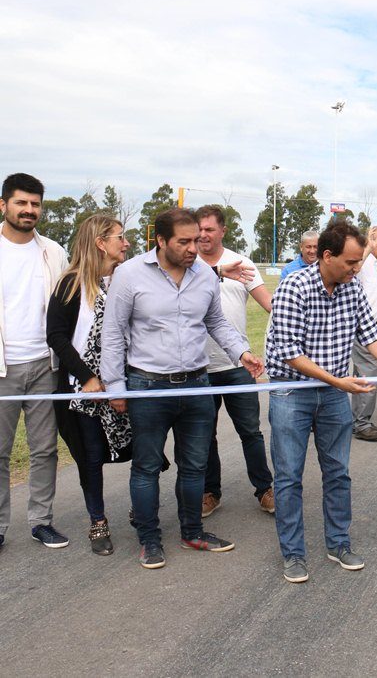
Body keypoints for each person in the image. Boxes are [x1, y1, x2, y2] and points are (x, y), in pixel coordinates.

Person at [101, 207, 263, 570]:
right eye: (184, 241)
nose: (194, 248)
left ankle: (192, 532)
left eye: (197, 240)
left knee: (194, 465)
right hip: (147, 387)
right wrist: (115, 386)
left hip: (196, 385)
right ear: (160, 240)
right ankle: (149, 540)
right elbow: (112, 333)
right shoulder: (129, 275)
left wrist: (242, 353)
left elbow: (216, 322)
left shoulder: (204, 275)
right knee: (146, 467)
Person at [266, 220, 377, 584]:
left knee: (338, 472)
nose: (356, 268)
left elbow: (372, 336)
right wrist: (337, 381)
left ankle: (338, 543)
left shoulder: (352, 288)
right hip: (292, 393)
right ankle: (293, 553)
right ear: (327, 256)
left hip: (335, 394)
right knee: (288, 477)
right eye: (351, 262)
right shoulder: (294, 286)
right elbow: (288, 351)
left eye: (358, 262)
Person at [46, 214, 131, 555]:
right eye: (120, 237)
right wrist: (88, 377)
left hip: (125, 382)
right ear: (100, 243)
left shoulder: (126, 280)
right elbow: (56, 336)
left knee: (145, 450)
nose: (126, 243)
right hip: (87, 390)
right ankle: (98, 520)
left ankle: (142, 508)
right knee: (91, 456)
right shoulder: (70, 284)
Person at [0, 173, 70, 550]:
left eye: (35, 204)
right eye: (21, 203)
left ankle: (41, 521)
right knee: (0, 452)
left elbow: (71, 302)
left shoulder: (54, 252)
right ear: (3, 205)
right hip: (3, 368)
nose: (29, 210)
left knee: (45, 450)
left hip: (45, 365)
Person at [194, 205, 275, 517]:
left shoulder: (242, 264)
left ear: (223, 231)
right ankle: (210, 492)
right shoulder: (187, 263)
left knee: (250, 432)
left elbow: (270, 304)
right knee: (205, 435)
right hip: (198, 369)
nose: (203, 235)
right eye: (199, 229)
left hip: (238, 366)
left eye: (209, 229)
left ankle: (264, 489)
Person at [351, 226, 377, 442]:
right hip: (362, 328)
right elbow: (355, 268)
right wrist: (367, 246)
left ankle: (357, 421)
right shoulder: (363, 263)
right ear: (370, 241)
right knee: (369, 373)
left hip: (376, 327)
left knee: (362, 374)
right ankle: (362, 424)